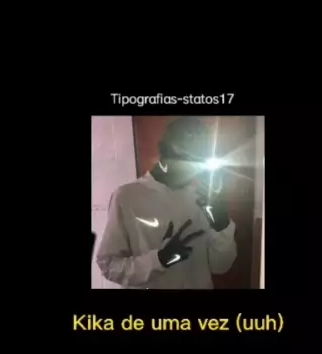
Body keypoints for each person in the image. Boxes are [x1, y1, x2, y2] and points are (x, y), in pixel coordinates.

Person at [96, 117, 237, 289]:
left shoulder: (204, 198)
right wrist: (159, 260)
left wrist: (222, 227)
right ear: (166, 152)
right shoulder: (127, 197)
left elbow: (221, 267)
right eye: (186, 157)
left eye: (199, 159)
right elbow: (109, 264)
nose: (193, 169)